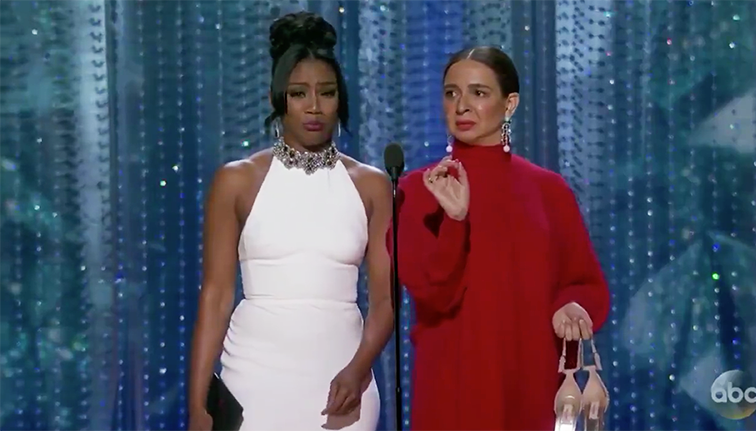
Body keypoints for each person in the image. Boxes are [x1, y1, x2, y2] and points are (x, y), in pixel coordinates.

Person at [187, 11, 393, 431]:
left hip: (344, 383)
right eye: (299, 93)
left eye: (327, 93)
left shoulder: (372, 185)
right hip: (253, 380)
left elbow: (386, 303)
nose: (314, 107)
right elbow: (216, 296)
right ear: (276, 98)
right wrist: (197, 404)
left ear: (341, 98)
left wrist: (359, 368)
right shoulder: (237, 180)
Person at [389, 46, 611, 430]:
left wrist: (572, 306)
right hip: (453, 382)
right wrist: (456, 220)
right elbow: (432, 292)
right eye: (451, 93)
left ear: (510, 104)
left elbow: (585, 282)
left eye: (478, 92)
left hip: (531, 378)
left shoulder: (549, 190)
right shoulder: (418, 190)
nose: (461, 106)